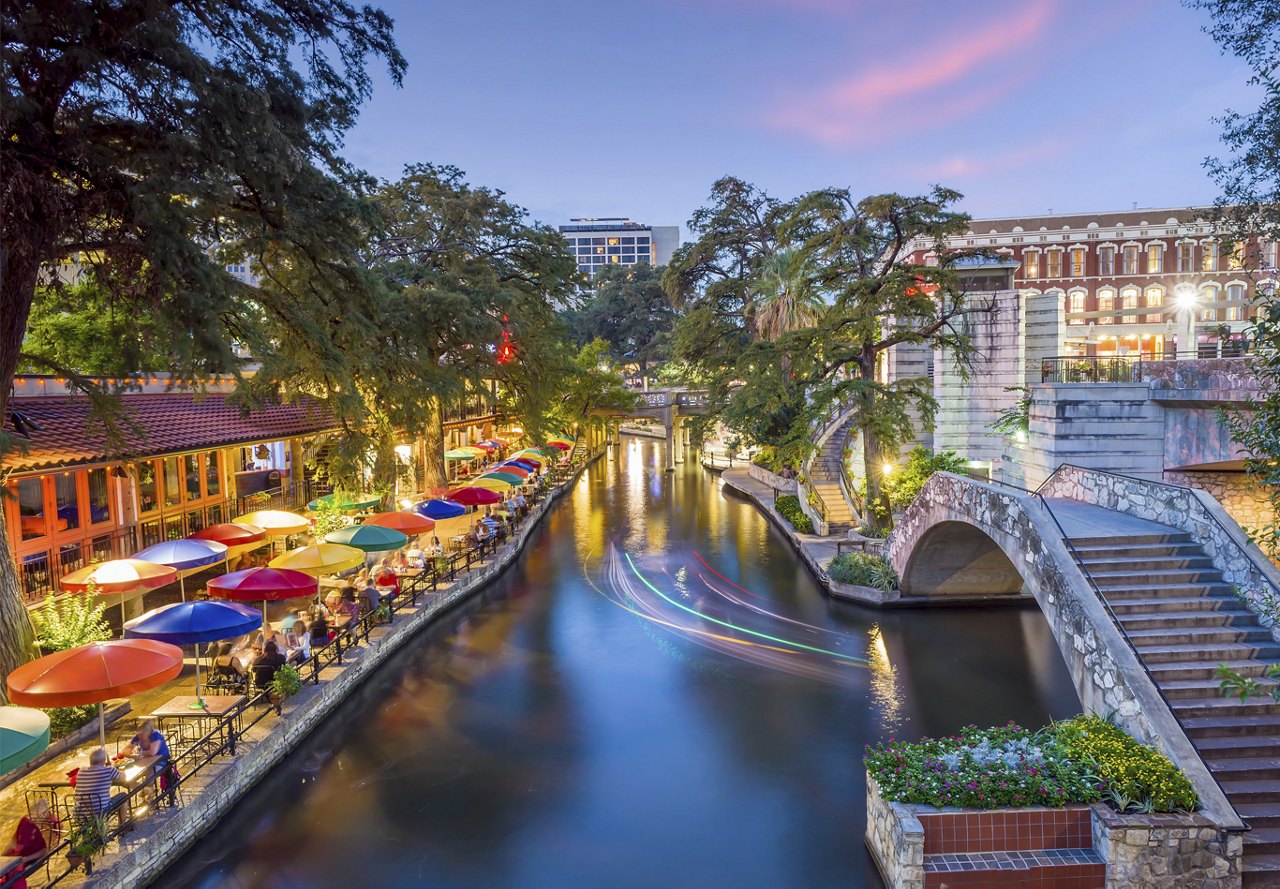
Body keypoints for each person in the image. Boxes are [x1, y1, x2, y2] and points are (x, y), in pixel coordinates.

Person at [74, 748, 126, 819]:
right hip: (100, 812)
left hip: (80, 814)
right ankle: (122, 827)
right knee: (123, 796)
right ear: (103, 761)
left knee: (98, 800)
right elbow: (123, 777)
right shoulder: (109, 770)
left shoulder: (81, 771)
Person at [4, 813, 48, 889]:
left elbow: (43, 851)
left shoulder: (32, 830)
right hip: (18, 857)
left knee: (14, 873)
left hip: (26, 859)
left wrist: (23, 860)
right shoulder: (24, 822)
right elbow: (15, 840)